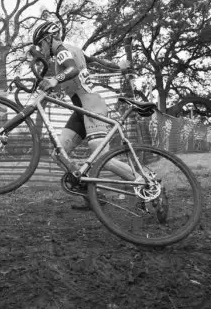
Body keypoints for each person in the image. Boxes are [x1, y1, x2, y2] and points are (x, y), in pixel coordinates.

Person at [30, 20, 148, 208]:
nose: (40, 48)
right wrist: (120, 67)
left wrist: (54, 80)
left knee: (102, 158)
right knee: (60, 153)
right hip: (81, 111)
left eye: (41, 43)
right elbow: (97, 62)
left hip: (91, 107)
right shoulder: (72, 50)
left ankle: (144, 182)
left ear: (49, 38)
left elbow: (72, 69)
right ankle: (94, 195)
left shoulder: (61, 52)